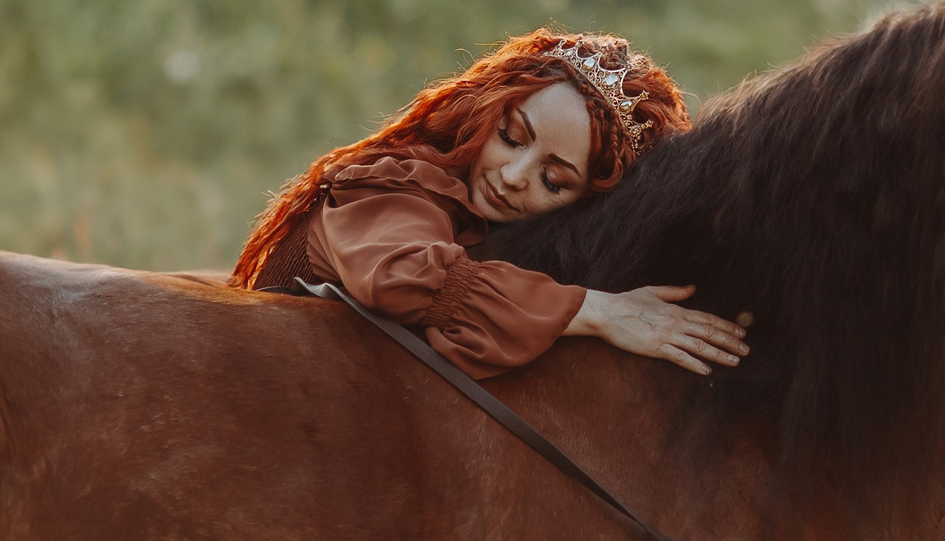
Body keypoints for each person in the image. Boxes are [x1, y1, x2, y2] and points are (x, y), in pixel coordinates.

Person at [228, 30, 747, 378]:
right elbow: (403, 277)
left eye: (553, 180)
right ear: (487, 110)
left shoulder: (506, 232)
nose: (514, 177)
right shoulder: (397, 183)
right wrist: (600, 311)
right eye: (511, 137)